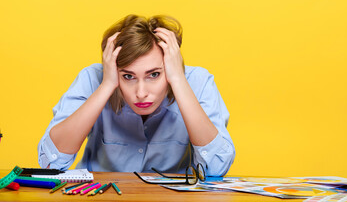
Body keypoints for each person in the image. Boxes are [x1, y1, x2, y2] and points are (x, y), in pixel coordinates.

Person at [38, 15, 235, 176]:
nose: (141, 93)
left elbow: (217, 168)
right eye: (128, 76)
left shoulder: (197, 81)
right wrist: (107, 85)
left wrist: (178, 79)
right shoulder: (93, 78)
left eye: (154, 74)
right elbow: (50, 162)